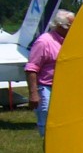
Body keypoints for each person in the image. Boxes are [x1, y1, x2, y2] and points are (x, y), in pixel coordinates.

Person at [25, 8, 75, 139]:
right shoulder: (44, 42)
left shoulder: (69, 42)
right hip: (46, 87)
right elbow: (31, 68)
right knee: (47, 123)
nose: (74, 29)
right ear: (60, 26)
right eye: (71, 26)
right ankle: (49, 149)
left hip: (63, 88)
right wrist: (33, 94)